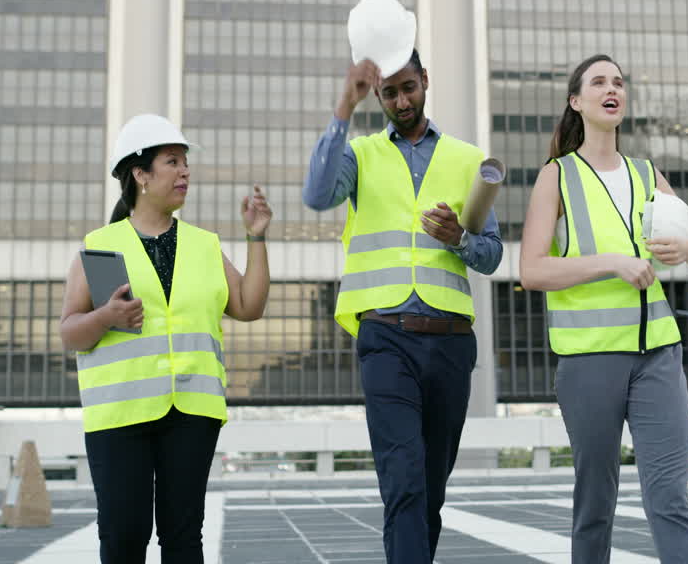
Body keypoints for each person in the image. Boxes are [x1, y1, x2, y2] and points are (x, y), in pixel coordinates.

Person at [303, 49, 503, 563]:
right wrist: (344, 109)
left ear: (425, 81)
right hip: (385, 337)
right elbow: (317, 194)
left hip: (452, 342)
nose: (400, 100)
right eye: (388, 92)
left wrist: (460, 238)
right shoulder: (361, 155)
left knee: (429, 490)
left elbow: (492, 255)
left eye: (408, 87)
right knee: (403, 479)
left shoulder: (465, 158)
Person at [519, 55, 688, 564]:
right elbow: (532, 271)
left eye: (619, 83)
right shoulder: (556, 177)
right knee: (595, 504)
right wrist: (612, 263)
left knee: (670, 498)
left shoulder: (649, 174)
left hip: (659, 355)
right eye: (599, 82)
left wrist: (685, 251)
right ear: (576, 101)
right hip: (589, 361)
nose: (613, 89)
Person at [59, 113, 271, 564]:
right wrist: (105, 316)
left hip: (191, 412)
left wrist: (257, 238)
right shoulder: (101, 245)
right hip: (120, 415)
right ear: (140, 174)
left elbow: (249, 306)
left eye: (185, 163)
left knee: (182, 537)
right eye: (173, 162)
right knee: (123, 536)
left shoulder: (204, 245)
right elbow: (70, 332)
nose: (185, 172)